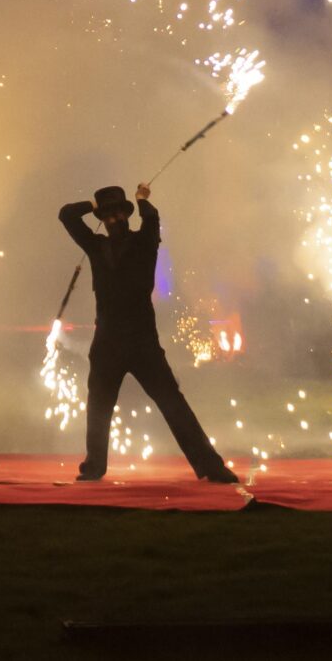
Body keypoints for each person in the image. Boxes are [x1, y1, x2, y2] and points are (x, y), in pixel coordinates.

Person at [57, 181, 239, 483]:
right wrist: (92, 205)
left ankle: (211, 466)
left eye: (118, 214)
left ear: (127, 216)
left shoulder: (145, 242)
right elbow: (65, 216)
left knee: (172, 402)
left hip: (143, 342)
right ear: (102, 219)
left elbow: (153, 220)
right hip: (107, 343)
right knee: (98, 408)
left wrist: (142, 200)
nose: (114, 220)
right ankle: (93, 468)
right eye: (108, 216)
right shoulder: (96, 245)